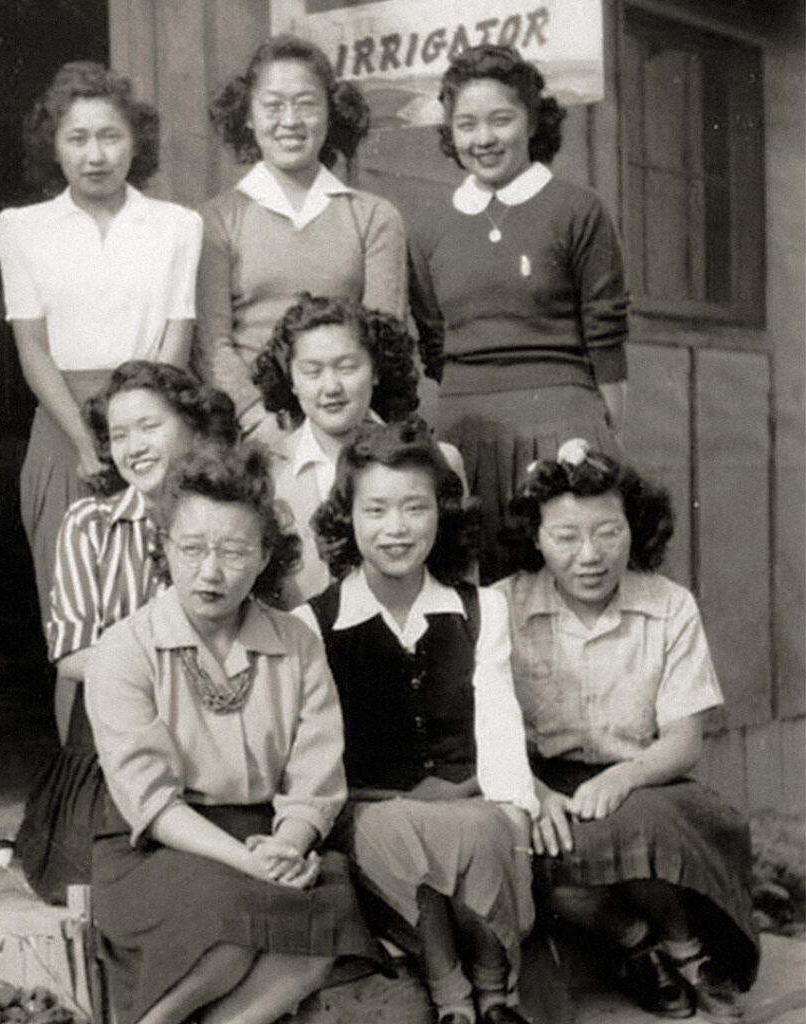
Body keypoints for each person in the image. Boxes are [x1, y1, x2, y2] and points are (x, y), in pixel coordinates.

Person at [86, 443, 379, 1024]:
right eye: (191, 549)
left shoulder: (296, 644)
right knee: (232, 917)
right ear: (165, 546)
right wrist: (251, 864)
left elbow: (315, 779)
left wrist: (289, 845)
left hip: (266, 834)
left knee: (328, 905)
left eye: (234, 551)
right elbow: (151, 801)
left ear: (266, 554)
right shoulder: (127, 648)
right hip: (158, 843)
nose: (211, 572)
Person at [495, 439, 758, 1020]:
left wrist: (622, 777)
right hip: (543, 783)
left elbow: (684, 740)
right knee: (544, 860)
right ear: (535, 539)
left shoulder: (670, 607)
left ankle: (690, 950)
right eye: (565, 537)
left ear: (633, 530)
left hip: (649, 780)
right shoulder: (500, 607)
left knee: (638, 825)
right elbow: (490, 731)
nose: (589, 555)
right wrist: (536, 794)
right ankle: (641, 945)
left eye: (607, 532)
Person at [297, 417, 539, 1024]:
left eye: (415, 508)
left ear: (443, 512)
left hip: (464, 800)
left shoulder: (480, 609)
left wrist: (516, 825)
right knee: (395, 835)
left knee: (483, 832)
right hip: (371, 807)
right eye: (376, 510)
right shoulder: (314, 623)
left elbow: (500, 726)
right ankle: (454, 998)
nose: (396, 529)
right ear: (347, 517)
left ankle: (496, 995)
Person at [12, 362, 237, 905]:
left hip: (215, 738)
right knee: (112, 881)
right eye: (118, 435)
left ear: (193, 427)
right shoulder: (90, 524)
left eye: (149, 427)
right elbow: (71, 656)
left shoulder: (231, 518)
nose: (133, 446)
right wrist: (172, 666)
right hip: (114, 743)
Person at [408, 45, 629, 582]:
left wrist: (603, 434)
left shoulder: (578, 209)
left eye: (500, 119)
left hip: (564, 419)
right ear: (450, 132)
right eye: (466, 125)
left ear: (532, 120)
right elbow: (434, 336)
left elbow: (606, 335)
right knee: (475, 596)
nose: (483, 138)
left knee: (573, 582)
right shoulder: (429, 224)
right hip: (464, 429)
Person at [0, 61, 203, 625]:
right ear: (54, 147)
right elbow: (33, 348)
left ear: (136, 142)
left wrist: (144, 437)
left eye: (110, 136)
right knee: (76, 625)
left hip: (157, 430)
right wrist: (88, 445)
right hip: (65, 434)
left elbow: (175, 336)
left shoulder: (177, 225)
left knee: (161, 613)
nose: (95, 155)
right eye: (77, 138)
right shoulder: (21, 227)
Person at [197, 34, 407, 449]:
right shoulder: (215, 221)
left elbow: (385, 337)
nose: (289, 121)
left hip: (351, 430)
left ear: (332, 112)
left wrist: (337, 428)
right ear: (248, 116)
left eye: (306, 103)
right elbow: (213, 347)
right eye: (273, 106)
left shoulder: (374, 217)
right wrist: (260, 421)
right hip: (252, 436)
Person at [252, 293, 466, 606]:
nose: (331, 387)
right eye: (312, 372)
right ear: (292, 380)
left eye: (347, 367)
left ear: (376, 370)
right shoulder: (266, 471)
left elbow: (461, 588)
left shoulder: (437, 461)